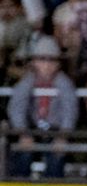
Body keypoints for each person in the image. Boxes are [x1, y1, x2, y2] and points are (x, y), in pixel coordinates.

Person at [6, 34, 77, 178]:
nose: (46, 64)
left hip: (55, 130)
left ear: (58, 63)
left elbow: (70, 110)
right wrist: (23, 133)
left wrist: (63, 135)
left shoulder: (64, 83)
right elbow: (16, 108)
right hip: (31, 128)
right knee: (22, 154)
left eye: (51, 60)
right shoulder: (27, 82)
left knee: (57, 155)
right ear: (34, 62)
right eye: (42, 59)